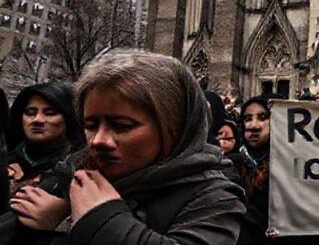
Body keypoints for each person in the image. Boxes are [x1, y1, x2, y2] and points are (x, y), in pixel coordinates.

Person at [3, 50, 245, 244]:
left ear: (174, 127)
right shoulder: (71, 174)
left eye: (122, 126)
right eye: (90, 124)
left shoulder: (214, 197)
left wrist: (96, 218)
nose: (98, 140)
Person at [6, 82, 83, 196]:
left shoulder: (77, 168)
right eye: (30, 113)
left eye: (50, 113)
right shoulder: (5, 160)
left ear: (68, 119)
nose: (37, 120)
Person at [236, 97, 271, 245]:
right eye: (247, 118)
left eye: (262, 118)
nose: (253, 126)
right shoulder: (231, 164)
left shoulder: (287, 164)